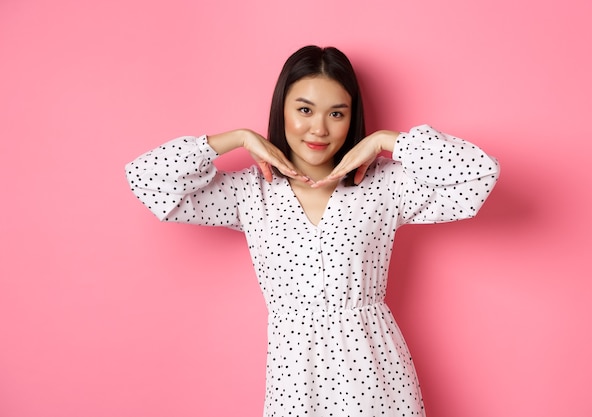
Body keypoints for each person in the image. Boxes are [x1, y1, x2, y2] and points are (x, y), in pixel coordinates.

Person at [125, 45, 500, 416]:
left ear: (351, 117)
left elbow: (479, 174)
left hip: (377, 377)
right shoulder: (248, 192)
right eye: (304, 110)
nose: (318, 129)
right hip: (294, 384)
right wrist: (237, 137)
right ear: (282, 109)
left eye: (336, 113)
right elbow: (146, 178)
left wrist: (387, 140)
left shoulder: (386, 186)